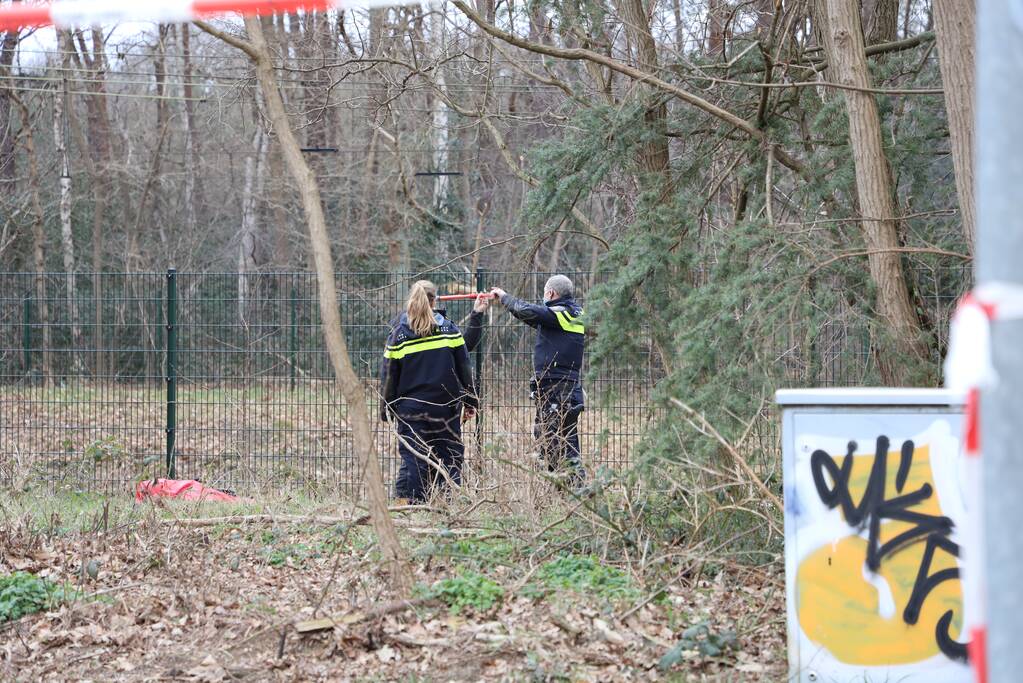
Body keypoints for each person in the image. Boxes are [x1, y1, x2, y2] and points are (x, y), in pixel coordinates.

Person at [380, 280, 479, 502]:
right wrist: (471, 401)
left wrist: (385, 408)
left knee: (414, 459)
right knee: (449, 457)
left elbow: (388, 375)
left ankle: (413, 507)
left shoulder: (399, 334)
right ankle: (448, 505)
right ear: (435, 300)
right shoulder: (449, 329)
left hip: (410, 409)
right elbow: (464, 368)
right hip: (446, 408)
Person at [490, 275, 587, 487]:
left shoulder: (564, 313)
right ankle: (562, 489)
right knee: (556, 437)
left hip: (557, 387)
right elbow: (535, 318)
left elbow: (529, 312)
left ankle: (576, 489)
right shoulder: (570, 315)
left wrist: (505, 297)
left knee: (555, 439)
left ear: (551, 294)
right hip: (562, 386)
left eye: (545, 294)